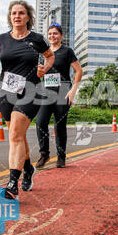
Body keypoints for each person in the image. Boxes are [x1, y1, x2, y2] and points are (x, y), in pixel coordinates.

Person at [0, 0, 54, 200]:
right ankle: (28, 169)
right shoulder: (1, 40)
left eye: (21, 13)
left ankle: (12, 184)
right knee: (18, 137)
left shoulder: (37, 39)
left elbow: (49, 57)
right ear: (10, 17)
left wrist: (45, 68)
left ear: (28, 17)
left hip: (30, 91)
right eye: (14, 13)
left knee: (15, 134)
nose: (17, 16)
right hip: (7, 93)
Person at [35, 23, 82, 168]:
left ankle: (61, 157)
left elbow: (79, 71)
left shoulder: (67, 51)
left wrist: (73, 90)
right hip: (46, 91)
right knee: (40, 122)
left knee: (59, 124)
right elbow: (39, 74)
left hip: (63, 91)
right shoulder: (43, 53)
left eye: (55, 33)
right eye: (50, 34)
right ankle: (44, 154)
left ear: (61, 35)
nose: (52, 36)